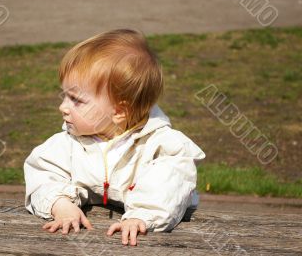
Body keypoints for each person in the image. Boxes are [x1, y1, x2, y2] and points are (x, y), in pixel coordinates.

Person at [24, 29, 205, 246]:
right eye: (64, 96)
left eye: (76, 100)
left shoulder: (160, 146)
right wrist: (59, 203)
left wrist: (142, 216)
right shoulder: (69, 142)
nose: (62, 107)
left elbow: (170, 183)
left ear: (119, 112)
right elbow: (44, 172)